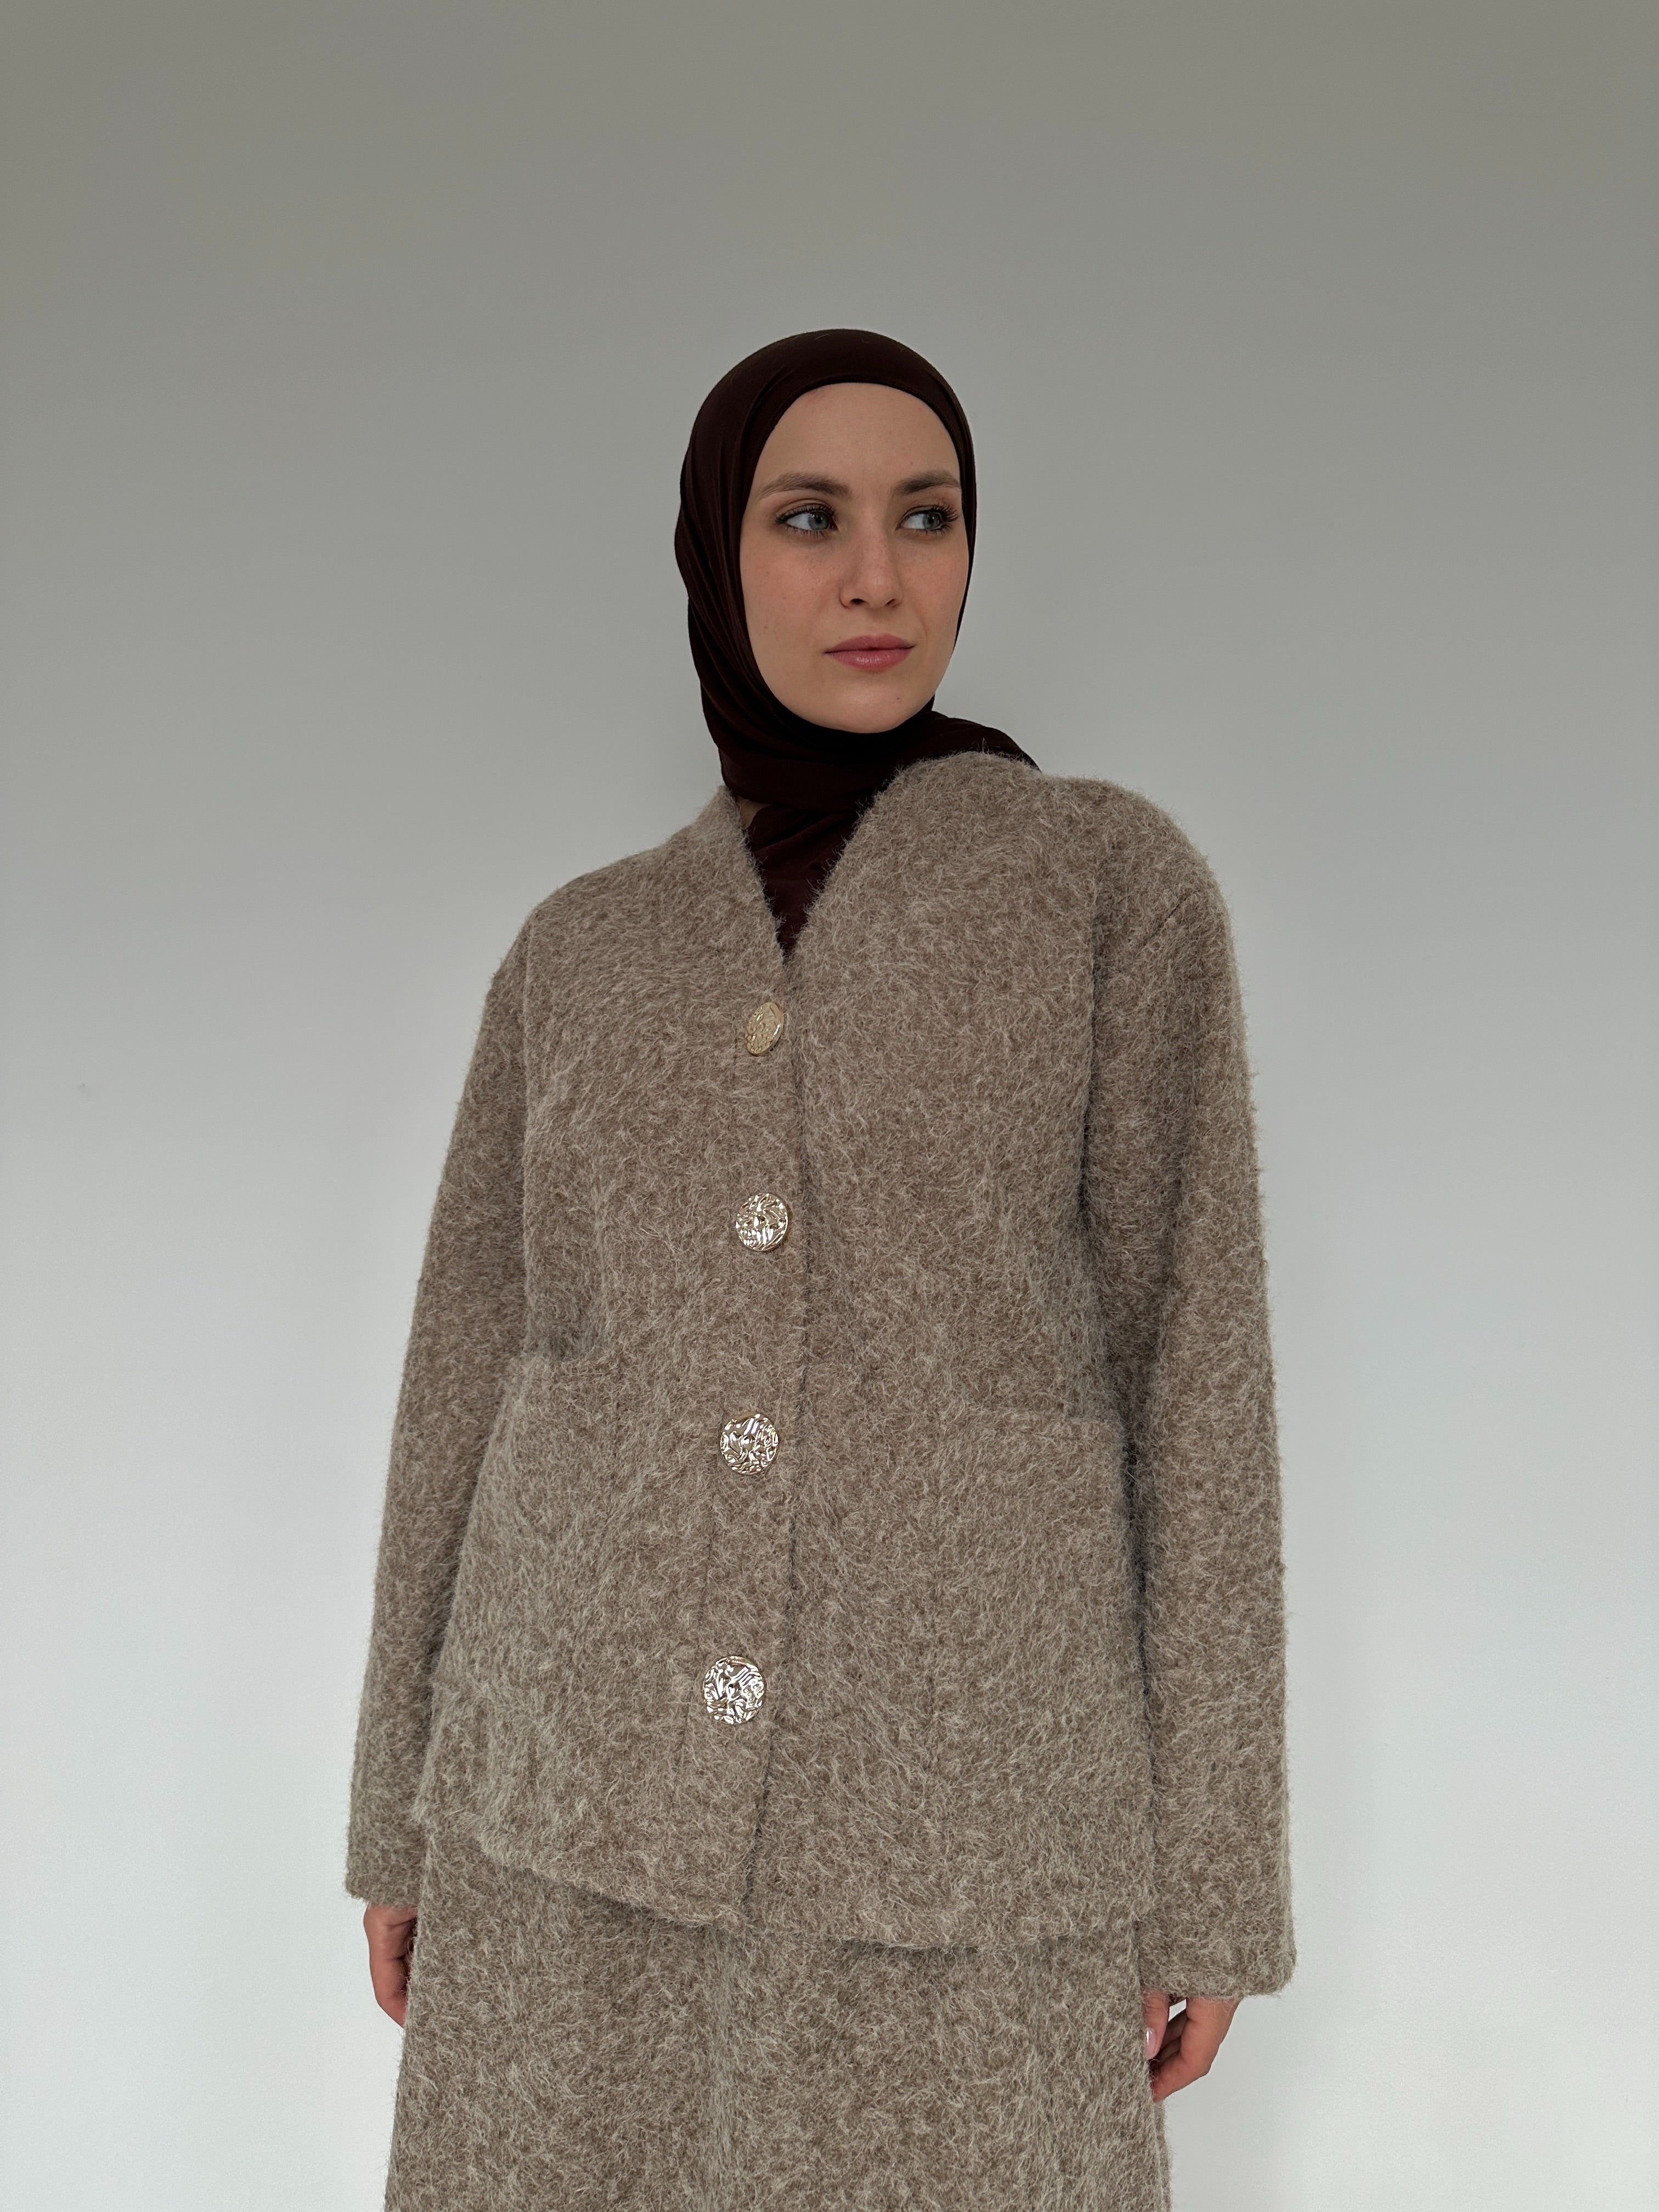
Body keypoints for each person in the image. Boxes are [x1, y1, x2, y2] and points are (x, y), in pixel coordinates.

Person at [347, 328, 1294, 2209]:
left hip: (969, 1821)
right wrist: (400, 1810)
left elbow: (1200, 1384)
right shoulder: (581, 948)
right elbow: (470, 1371)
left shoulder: (1106, 888)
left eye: (926, 518)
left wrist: (1214, 1878)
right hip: (565, 1814)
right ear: (716, 555)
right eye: (810, 518)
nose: (877, 575)